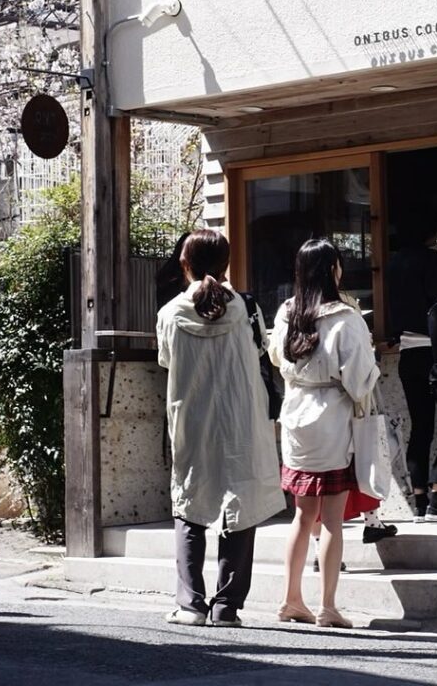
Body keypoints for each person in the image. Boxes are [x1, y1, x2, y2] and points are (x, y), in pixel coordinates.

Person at [156, 229, 283, 628]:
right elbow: (264, 351)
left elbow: (165, 362)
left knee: (189, 503)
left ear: (185, 263)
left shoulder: (169, 314)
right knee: (240, 505)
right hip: (241, 417)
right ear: (227, 264)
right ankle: (227, 607)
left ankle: (190, 605)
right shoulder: (246, 307)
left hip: (192, 418)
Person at [269, 238, 380, 630]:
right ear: (334, 269)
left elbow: (277, 359)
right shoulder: (346, 318)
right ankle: (328, 606)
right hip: (332, 418)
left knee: (302, 515)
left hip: (296, 414)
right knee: (332, 518)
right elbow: (360, 378)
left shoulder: (286, 314)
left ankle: (290, 599)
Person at [386, 209, 437, 522]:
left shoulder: (393, 263)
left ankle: (419, 500)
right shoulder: (431, 260)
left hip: (408, 353)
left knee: (421, 428)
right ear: (429, 232)